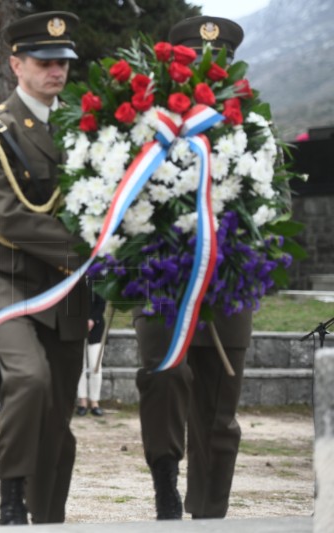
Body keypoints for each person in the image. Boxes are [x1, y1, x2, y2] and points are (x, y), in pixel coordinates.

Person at [0, 11, 90, 525]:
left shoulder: (88, 125)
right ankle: (11, 491)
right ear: (16, 64)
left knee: (58, 417)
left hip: (66, 288)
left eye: (62, 61)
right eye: (43, 60)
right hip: (7, 280)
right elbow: (6, 215)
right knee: (31, 378)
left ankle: (48, 518)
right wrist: (90, 252)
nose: (55, 70)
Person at [133, 16, 248, 521]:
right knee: (162, 380)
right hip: (162, 281)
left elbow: (270, 200)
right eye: (196, 57)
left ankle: (210, 515)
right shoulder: (144, 121)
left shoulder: (252, 126)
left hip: (228, 286)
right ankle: (165, 486)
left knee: (219, 414)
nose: (209, 65)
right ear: (174, 62)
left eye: (218, 57)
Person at [76, 295, 107, 417]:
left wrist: (92, 319)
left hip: (96, 328)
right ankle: (82, 401)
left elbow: (101, 303)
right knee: (79, 365)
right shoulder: (71, 276)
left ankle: (94, 402)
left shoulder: (98, 277)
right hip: (76, 326)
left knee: (96, 365)